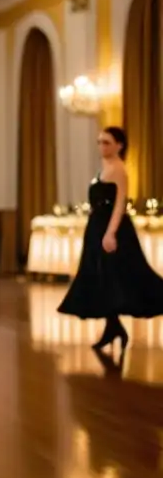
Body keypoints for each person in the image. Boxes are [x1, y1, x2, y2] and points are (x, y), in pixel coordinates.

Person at [57, 126, 163, 351]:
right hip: (97, 227)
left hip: (111, 229)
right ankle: (113, 327)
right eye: (99, 142)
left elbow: (120, 204)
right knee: (103, 277)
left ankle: (114, 328)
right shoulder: (104, 169)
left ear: (119, 145)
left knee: (122, 276)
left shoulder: (119, 170)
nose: (101, 147)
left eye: (106, 142)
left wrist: (111, 233)